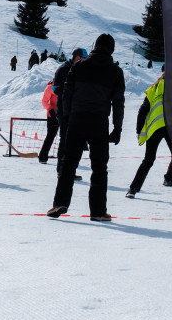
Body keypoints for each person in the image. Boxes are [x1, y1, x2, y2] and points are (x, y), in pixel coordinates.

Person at [48, 33, 125, 222]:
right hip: (99, 122)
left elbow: (66, 93)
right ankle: (98, 211)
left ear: (95, 47)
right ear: (111, 49)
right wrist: (117, 128)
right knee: (99, 167)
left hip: (77, 119)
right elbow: (118, 102)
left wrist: (66, 118)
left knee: (68, 163)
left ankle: (59, 203)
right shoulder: (115, 72)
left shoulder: (79, 66)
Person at [126, 71, 172, 198]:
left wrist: (138, 129)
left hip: (155, 127)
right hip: (171, 127)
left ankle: (132, 189)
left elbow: (143, 110)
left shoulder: (154, 88)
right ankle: (171, 180)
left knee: (148, 160)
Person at [44, 47, 86, 173]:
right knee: (65, 139)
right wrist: (71, 94)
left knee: (74, 141)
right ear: (77, 57)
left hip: (76, 109)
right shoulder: (63, 69)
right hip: (64, 110)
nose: (84, 61)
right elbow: (55, 89)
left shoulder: (80, 69)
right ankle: (61, 170)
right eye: (83, 58)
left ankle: (69, 171)